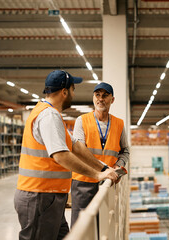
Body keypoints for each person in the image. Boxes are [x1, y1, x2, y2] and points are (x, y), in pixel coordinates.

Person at [14, 70, 118, 240]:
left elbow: (76, 146)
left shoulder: (52, 114)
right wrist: (97, 175)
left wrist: (104, 168)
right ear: (64, 92)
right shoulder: (48, 115)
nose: (73, 93)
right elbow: (61, 155)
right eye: (73, 89)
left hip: (49, 197)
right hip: (39, 195)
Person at [71, 82, 130, 227]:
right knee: (81, 227)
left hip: (107, 184)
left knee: (104, 227)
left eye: (105, 95)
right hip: (83, 182)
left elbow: (125, 151)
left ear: (112, 99)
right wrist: (105, 169)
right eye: (97, 95)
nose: (100, 99)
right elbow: (79, 151)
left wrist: (118, 165)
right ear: (93, 98)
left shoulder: (119, 124)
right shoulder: (82, 121)